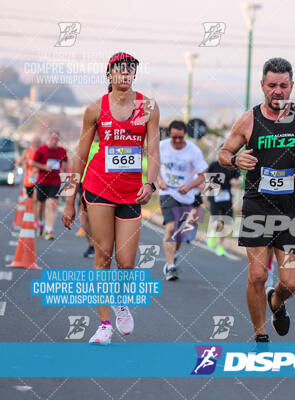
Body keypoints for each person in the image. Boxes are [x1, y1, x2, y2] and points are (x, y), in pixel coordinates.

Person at [218, 57, 295, 342]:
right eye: (272, 85)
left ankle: (276, 302)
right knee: (257, 275)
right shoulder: (248, 120)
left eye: (283, 85)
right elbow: (223, 153)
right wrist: (234, 158)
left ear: (291, 86)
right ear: (262, 86)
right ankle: (260, 331)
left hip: (291, 210)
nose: (277, 91)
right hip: (257, 207)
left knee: (290, 283)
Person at [62, 52, 160, 345]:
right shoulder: (95, 109)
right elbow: (80, 155)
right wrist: (69, 200)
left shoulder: (147, 107)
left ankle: (119, 300)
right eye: (120, 70)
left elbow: (153, 151)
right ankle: (104, 324)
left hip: (131, 190)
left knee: (126, 262)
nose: (126, 74)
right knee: (103, 255)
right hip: (98, 186)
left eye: (130, 70)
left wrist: (150, 182)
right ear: (109, 75)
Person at [156, 120, 207, 281]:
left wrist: (189, 186)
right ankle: (171, 267)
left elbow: (202, 175)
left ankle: (175, 253)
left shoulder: (194, 151)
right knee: (171, 227)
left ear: (185, 135)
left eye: (180, 137)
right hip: (167, 192)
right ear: (170, 135)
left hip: (186, 195)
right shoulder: (162, 146)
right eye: (174, 137)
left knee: (180, 233)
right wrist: (158, 180)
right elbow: (154, 164)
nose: (177, 141)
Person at [31, 131, 68, 240]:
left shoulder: (62, 151)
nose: (55, 141)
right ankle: (41, 223)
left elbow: (66, 163)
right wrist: (44, 167)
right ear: (49, 138)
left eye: (57, 139)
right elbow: (33, 163)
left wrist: (64, 174)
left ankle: (49, 231)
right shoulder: (41, 149)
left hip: (55, 181)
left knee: (52, 204)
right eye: (53, 139)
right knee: (40, 205)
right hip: (42, 181)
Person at [206, 155, 241, 256]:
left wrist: (236, 182)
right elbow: (206, 179)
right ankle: (212, 235)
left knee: (226, 224)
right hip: (215, 197)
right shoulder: (214, 165)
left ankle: (220, 246)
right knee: (217, 223)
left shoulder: (233, 167)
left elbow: (240, 179)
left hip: (227, 198)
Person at [78, 138, 100, 258]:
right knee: (85, 216)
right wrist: (68, 192)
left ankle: (100, 245)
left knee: (98, 217)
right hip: (84, 183)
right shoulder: (85, 142)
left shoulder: (108, 141)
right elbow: (75, 164)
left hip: (101, 183)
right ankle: (91, 245)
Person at [16, 136, 41, 223]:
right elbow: (19, 163)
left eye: (38, 142)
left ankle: (35, 220)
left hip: (39, 179)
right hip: (29, 179)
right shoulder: (27, 151)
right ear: (32, 142)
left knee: (35, 199)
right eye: (35, 142)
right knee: (30, 200)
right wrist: (23, 161)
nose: (36, 144)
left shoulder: (41, 151)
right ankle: (31, 217)